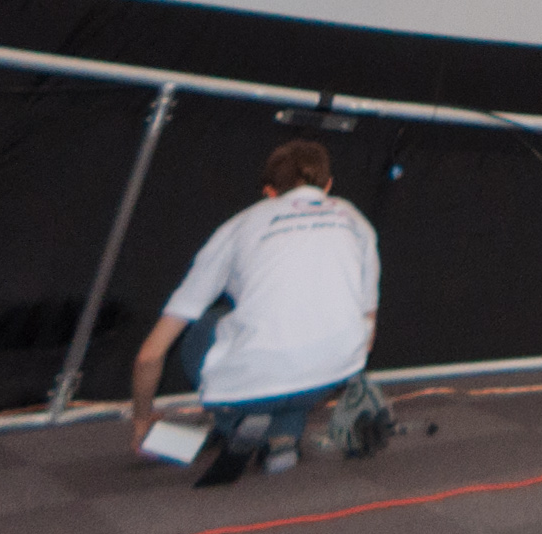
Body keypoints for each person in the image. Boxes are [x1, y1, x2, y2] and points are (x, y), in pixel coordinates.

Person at [127, 139, 378, 474]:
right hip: (330, 376)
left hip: (259, 378)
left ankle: (239, 418)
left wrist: (142, 421)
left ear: (269, 192)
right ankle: (284, 436)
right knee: (305, 340)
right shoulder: (355, 220)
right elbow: (367, 330)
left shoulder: (239, 226)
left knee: (205, 326)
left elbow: (150, 354)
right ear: (329, 185)